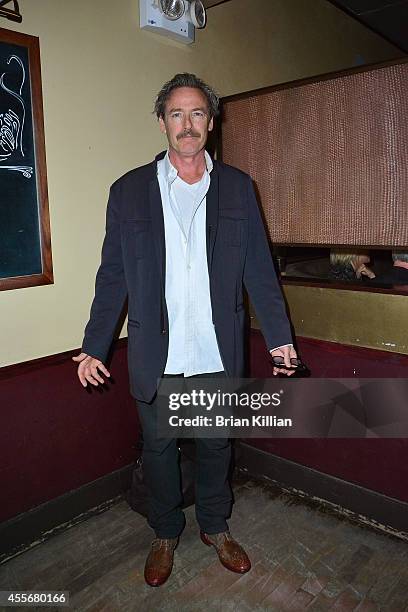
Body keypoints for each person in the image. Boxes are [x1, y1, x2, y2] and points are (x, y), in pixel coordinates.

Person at [73, 73, 298, 587]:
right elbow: (112, 275)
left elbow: (260, 270)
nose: (187, 124)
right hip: (159, 353)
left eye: (197, 113)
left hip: (217, 352)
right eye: (177, 114)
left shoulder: (239, 188)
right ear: (162, 123)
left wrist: (281, 338)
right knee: (158, 449)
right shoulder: (128, 191)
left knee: (219, 444)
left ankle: (216, 527)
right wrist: (93, 344)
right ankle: (166, 531)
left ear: (211, 123)